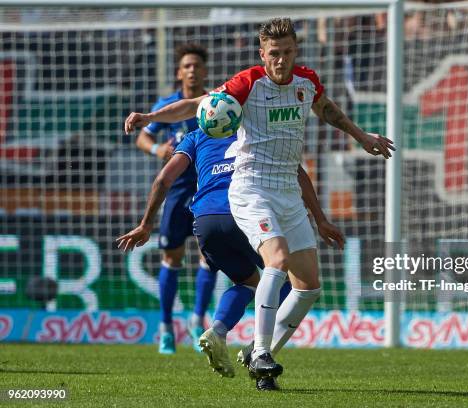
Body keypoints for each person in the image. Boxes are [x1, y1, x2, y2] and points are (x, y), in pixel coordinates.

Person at [124, 17, 393, 386]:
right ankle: (262, 352)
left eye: (286, 53)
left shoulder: (306, 82)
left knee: (309, 287)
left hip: (287, 191)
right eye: (272, 54)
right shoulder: (246, 83)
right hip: (251, 188)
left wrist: (362, 137)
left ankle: (256, 351)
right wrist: (150, 118)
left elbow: (328, 109)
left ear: (295, 51)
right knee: (276, 260)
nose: (279, 61)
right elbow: (196, 106)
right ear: (261, 54)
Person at [117, 127, 344, 390]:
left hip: (205, 221)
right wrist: (320, 218)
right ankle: (261, 358)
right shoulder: (257, 133)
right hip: (244, 211)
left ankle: (218, 331)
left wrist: (145, 225)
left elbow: (163, 179)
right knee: (286, 281)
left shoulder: (196, 136)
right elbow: (295, 171)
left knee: (248, 282)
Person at [134, 43, 216, 354]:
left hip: (209, 188)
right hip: (177, 190)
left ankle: (197, 321)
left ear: (205, 70)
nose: (192, 70)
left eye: (197, 65)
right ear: (179, 72)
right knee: (172, 258)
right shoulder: (168, 105)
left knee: (209, 258)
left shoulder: (214, 105)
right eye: (187, 66)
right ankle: (166, 327)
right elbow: (144, 136)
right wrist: (157, 150)